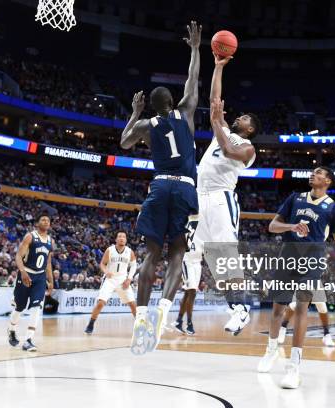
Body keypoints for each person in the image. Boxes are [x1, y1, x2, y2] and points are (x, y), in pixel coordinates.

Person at [120, 21, 201, 355]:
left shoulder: (145, 123)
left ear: (152, 106)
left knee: (151, 255)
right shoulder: (186, 113)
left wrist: (134, 113)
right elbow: (194, 81)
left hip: (159, 186)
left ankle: (140, 321)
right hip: (184, 188)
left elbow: (124, 143)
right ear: (173, 100)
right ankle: (164, 313)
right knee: (177, 253)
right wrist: (195, 48)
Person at [176, 55, 259, 337]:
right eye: (239, 116)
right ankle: (233, 306)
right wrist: (219, 67)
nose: (238, 117)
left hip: (222, 198)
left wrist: (215, 124)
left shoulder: (247, 148)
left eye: (244, 119)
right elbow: (215, 100)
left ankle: (242, 309)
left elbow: (227, 151)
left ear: (250, 129)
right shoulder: (222, 128)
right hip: (199, 198)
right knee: (201, 257)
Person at [257, 166, 335, 389]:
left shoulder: (333, 208)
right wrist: (292, 225)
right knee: (277, 309)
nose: (313, 174)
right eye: (313, 171)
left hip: (313, 260)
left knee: (302, 307)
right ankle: (271, 351)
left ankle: (294, 368)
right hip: (288, 256)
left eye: (319, 172)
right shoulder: (295, 198)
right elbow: (273, 226)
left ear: (328, 181)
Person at [7, 215, 54, 352]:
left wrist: (51, 281)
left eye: (48, 220)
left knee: (37, 307)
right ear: (38, 223)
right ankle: (11, 329)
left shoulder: (51, 241)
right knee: (19, 307)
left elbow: (48, 263)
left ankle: (28, 340)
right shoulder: (30, 236)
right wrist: (22, 271)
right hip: (26, 274)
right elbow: (18, 256)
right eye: (43, 219)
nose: (46, 221)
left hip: (40, 278)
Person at [85, 231, 137, 334]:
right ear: (116, 239)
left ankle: (141, 325)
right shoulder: (110, 250)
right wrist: (105, 271)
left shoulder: (129, 251)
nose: (122, 238)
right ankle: (91, 324)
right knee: (101, 303)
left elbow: (134, 266)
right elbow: (103, 264)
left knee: (132, 304)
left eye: (123, 237)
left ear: (126, 240)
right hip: (110, 279)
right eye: (119, 236)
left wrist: (129, 279)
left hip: (123, 279)